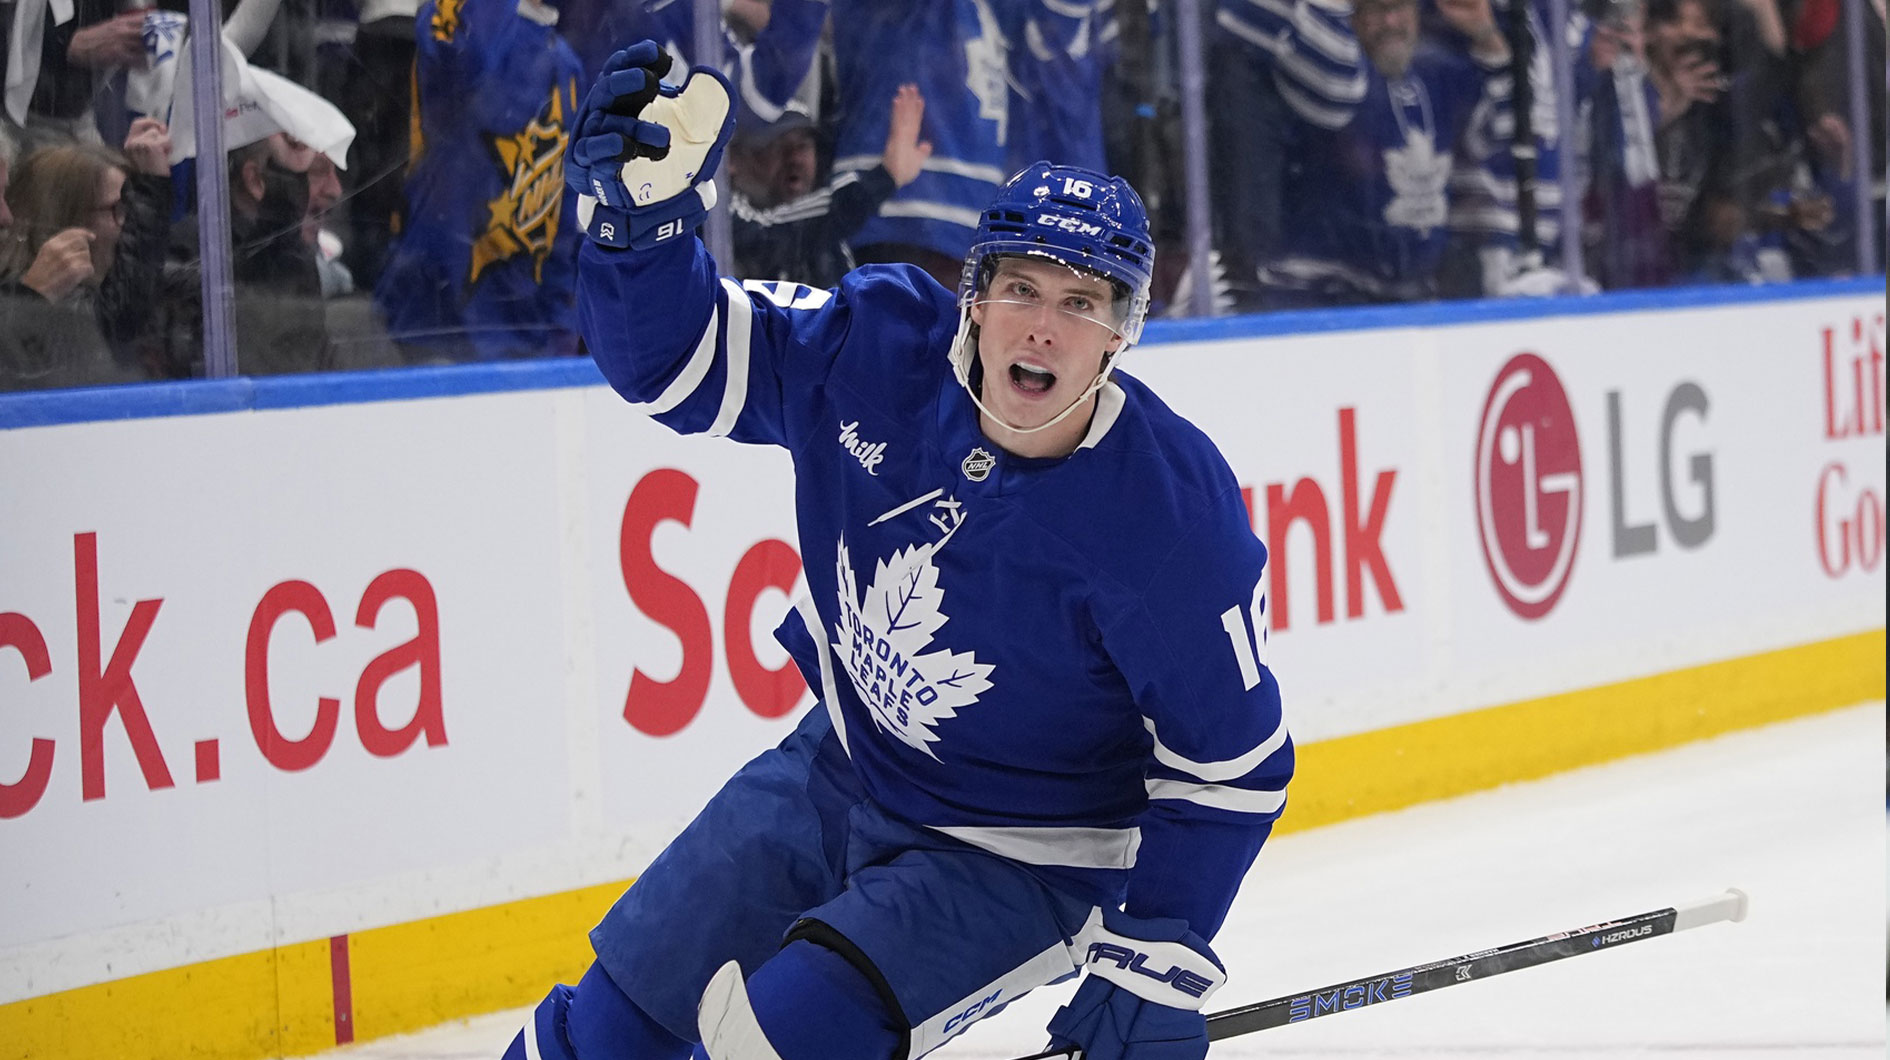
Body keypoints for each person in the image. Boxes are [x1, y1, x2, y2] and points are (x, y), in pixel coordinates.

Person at [520, 41, 1293, 1060]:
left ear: (1122, 334)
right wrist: (637, 237)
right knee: (600, 1034)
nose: (1044, 329)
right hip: (841, 763)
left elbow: (1233, 767)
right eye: (1022, 288)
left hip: (1017, 853)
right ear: (973, 293)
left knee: (776, 1042)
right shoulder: (874, 342)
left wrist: (1156, 953)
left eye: (1081, 303)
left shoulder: (1170, 512)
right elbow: (679, 363)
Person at [0, 118, 169, 389]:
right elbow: (121, 317)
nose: (129, 223)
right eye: (120, 209)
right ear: (67, 222)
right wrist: (151, 189)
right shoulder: (27, 297)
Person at [727, 86, 930, 290]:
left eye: (803, 146)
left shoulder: (828, 242)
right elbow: (768, 235)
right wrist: (883, 178)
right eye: (778, 146)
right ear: (737, 160)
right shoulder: (724, 214)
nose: (795, 158)